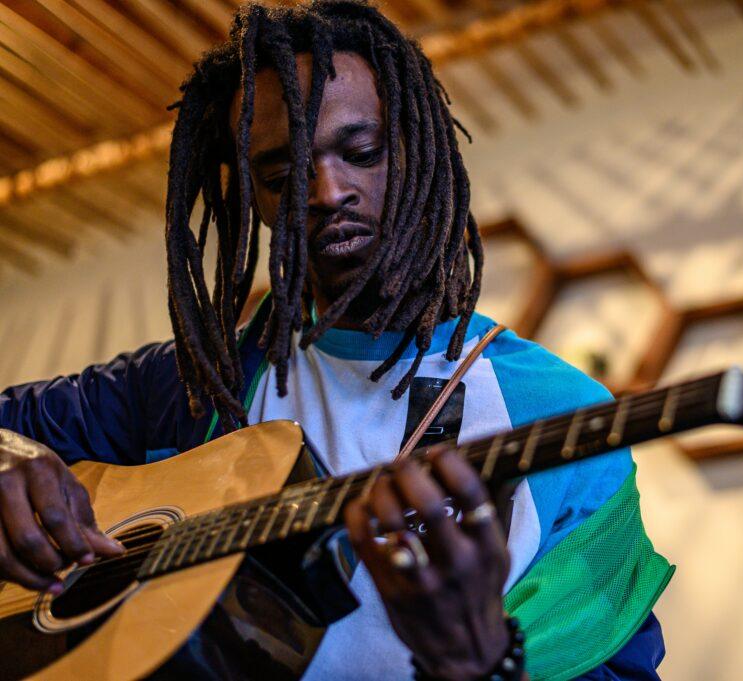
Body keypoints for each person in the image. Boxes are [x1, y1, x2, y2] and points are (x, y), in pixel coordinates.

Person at [0, 2, 671, 678]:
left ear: (416, 144)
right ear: (253, 197)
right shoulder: (198, 384)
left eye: (361, 152)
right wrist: (9, 462)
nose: (325, 191)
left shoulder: (566, 413)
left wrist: (486, 662)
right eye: (281, 174)